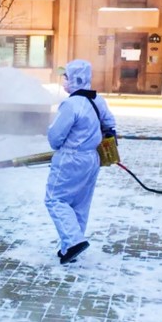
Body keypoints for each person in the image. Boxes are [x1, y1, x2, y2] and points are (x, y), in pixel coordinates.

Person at [44, 59, 116, 264]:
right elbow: (110, 124)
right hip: (91, 159)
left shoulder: (70, 104)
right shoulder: (97, 100)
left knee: (55, 200)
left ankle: (74, 241)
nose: (64, 81)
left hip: (71, 158)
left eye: (65, 77)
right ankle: (70, 247)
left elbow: (55, 136)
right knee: (79, 203)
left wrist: (61, 146)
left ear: (75, 79)